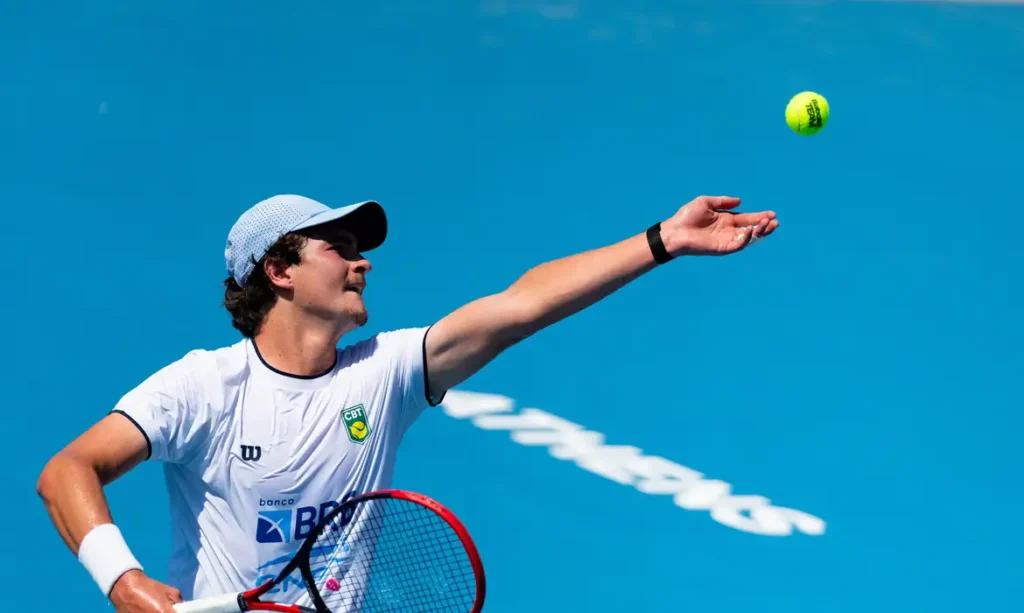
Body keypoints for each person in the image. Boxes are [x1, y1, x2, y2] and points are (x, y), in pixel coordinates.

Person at [36, 193, 778, 613]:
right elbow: (68, 470)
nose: (363, 261)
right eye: (338, 247)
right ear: (279, 271)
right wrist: (123, 580)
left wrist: (662, 240)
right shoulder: (201, 387)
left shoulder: (385, 373)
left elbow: (521, 306)